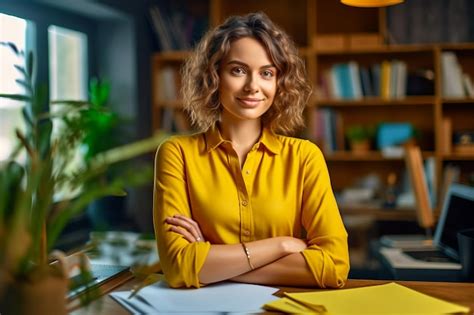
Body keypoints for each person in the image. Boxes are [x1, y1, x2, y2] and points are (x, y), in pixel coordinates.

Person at [153, 12, 349, 289]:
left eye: (267, 73)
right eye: (238, 70)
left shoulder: (305, 157)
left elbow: (334, 266)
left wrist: (210, 262)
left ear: (279, 83)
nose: (253, 86)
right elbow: (176, 267)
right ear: (214, 75)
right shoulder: (176, 154)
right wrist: (281, 245)